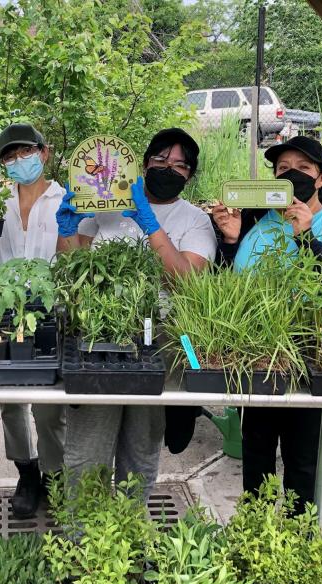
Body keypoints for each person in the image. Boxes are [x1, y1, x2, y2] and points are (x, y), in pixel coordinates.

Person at [56, 128, 217, 499]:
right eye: (160, 160)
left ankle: (130, 532)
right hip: (97, 337)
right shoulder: (106, 206)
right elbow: (72, 264)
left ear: (190, 175)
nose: (168, 168)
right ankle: (82, 538)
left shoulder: (194, 220)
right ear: (143, 164)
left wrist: (150, 225)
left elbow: (185, 280)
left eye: (179, 165)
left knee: (140, 449)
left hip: (157, 343)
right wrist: (66, 228)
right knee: (85, 452)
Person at [212, 135, 322, 513]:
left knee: (303, 462)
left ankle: (299, 542)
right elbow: (224, 284)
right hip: (257, 358)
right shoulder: (256, 220)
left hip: (311, 361)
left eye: (303, 168)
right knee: (256, 455)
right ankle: (255, 539)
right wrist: (230, 241)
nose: (292, 174)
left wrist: (307, 236)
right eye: (282, 170)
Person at [0, 123, 66, 519]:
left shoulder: (64, 201)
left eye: (25, 152)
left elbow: (74, 252)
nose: (18, 161)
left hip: (49, 313)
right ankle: (27, 472)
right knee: (10, 402)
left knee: (50, 407)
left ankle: (55, 475)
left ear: (44, 152)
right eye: (9, 156)